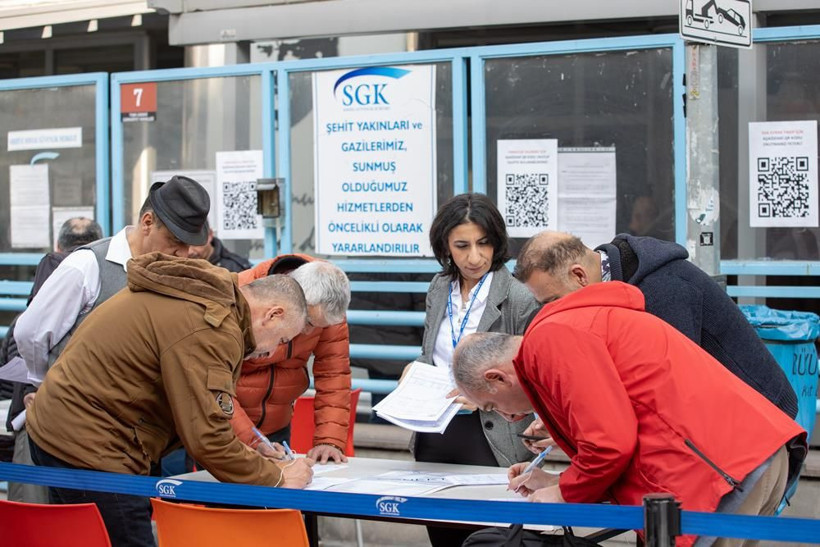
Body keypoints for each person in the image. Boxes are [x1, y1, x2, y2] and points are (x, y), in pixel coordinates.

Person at [452, 283, 807, 546]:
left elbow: (609, 444)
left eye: (492, 406)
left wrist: (565, 493)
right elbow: (625, 423)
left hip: (719, 470)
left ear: (496, 377)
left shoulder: (548, 341)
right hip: (743, 457)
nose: (508, 417)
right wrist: (558, 481)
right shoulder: (571, 325)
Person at [26, 253, 313, 547]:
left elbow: (200, 415)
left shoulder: (202, 298)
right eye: (281, 340)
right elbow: (207, 438)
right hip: (91, 445)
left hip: (64, 428)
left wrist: (251, 457)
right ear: (273, 314)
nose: (272, 352)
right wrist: (276, 478)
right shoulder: (211, 327)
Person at [513, 231, 798, 453]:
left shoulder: (664, 290)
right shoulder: (614, 282)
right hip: (724, 428)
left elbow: (668, 397)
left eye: (552, 301)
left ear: (579, 275)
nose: (551, 313)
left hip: (762, 427)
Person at [413, 193, 540, 547]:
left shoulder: (519, 297)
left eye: (483, 243)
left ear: (497, 242)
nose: (474, 257)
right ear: (445, 246)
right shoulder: (440, 287)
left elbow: (535, 375)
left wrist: (482, 396)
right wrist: (415, 371)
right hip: (435, 433)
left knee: (491, 539)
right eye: (462, 245)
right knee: (443, 537)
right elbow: (430, 352)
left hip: (491, 435)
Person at [15, 175, 211, 389]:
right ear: (147, 223)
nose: (183, 254)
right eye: (176, 241)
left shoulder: (176, 274)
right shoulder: (87, 265)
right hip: (80, 403)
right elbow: (30, 333)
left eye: (188, 245)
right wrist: (47, 384)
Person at [3, 217, 103, 503]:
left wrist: (35, 384)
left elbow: (18, 353)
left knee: (34, 514)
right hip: (91, 429)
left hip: (33, 419)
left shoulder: (42, 290)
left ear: (58, 244)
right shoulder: (107, 290)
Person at [230, 255, 352, 464]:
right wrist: (250, 440)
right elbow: (214, 384)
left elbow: (334, 374)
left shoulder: (327, 307)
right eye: (308, 322)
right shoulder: (240, 295)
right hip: (227, 422)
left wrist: (329, 440)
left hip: (277, 426)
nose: (308, 331)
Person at [188, 222, 252, 273]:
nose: (189, 252)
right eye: (184, 245)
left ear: (210, 235)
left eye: (195, 243)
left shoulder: (236, 269)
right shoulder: (184, 266)